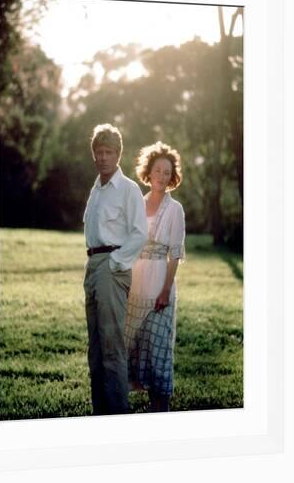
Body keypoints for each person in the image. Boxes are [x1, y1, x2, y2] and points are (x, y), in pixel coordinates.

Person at [83, 123, 148, 415]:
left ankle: (118, 415)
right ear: (94, 155)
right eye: (99, 152)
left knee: (112, 346)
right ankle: (100, 413)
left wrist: (115, 263)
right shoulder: (96, 189)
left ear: (119, 154)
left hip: (112, 266)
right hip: (93, 265)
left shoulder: (128, 189)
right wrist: (98, 264)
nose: (104, 157)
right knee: (95, 347)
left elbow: (139, 233)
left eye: (109, 152)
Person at [124, 141, 185, 413]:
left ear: (172, 177)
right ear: (148, 172)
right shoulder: (136, 202)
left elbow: (175, 254)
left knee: (158, 354)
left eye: (166, 172)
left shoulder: (175, 210)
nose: (161, 176)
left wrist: (165, 290)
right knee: (132, 349)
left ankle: (161, 412)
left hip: (160, 286)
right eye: (157, 170)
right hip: (135, 284)